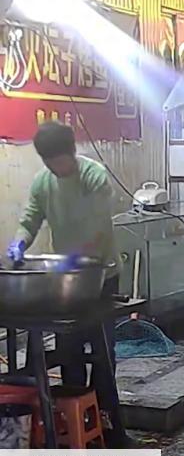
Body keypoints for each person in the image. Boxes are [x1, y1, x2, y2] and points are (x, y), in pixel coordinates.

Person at [6, 121, 119, 387]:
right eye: (49, 163)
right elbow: (29, 220)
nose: (56, 168)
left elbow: (98, 228)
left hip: (100, 277)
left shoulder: (95, 177)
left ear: (72, 152)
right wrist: (19, 243)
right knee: (70, 350)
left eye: (60, 162)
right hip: (66, 284)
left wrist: (76, 257)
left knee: (102, 350)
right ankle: (74, 409)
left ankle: (104, 414)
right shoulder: (42, 183)